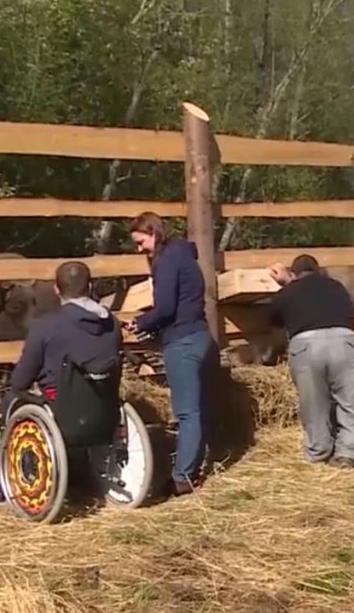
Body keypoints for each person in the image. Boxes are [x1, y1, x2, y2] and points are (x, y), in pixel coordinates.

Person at [125, 212, 214, 495]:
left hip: (183, 341)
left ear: (153, 232)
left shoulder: (166, 262)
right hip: (199, 335)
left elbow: (165, 308)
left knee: (187, 412)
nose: (140, 250)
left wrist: (140, 323)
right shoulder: (183, 256)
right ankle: (191, 466)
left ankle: (182, 478)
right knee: (197, 408)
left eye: (141, 242)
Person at [268, 255, 354, 467]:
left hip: (306, 345)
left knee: (313, 403)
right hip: (344, 341)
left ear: (294, 274)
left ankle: (319, 450)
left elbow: (273, 318)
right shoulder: (337, 286)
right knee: (352, 401)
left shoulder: (287, 292)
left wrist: (287, 284)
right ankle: (348, 453)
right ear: (319, 270)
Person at [4, 260, 122, 411]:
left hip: (61, 406)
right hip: (103, 402)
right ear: (90, 287)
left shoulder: (44, 325)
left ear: (56, 290)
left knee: (11, 397)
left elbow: (20, 382)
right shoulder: (112, 323)